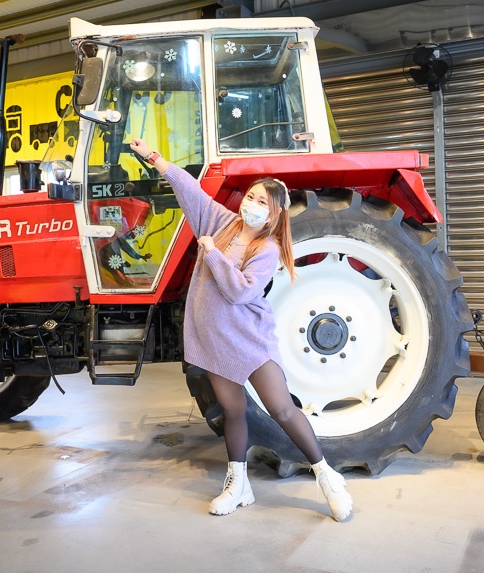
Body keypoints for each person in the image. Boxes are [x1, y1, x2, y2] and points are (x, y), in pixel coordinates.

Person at [129, 138, 353, 522]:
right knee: (233, 411)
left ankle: (327, 477)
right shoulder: (221, 223)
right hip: (213, 339)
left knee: (281, 408)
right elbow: (190, 191)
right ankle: (239, 485)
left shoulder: (267, 248)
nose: (251, 205)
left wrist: (212, 253)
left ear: (274, 213)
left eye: (262, 202)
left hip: (248, 339)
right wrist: (156, 159)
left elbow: (239, 291)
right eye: (250, 197)